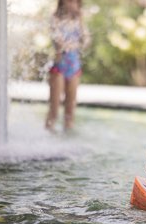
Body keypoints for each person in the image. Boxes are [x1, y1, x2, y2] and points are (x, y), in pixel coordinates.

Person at [45, 0, 90, 132]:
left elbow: (86, 40)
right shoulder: (55, 18)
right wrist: (72, 44)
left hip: (74, 68)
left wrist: (81, 20)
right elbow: (58, 42)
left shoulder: (79, 20)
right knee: (54, 109)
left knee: (70, 111)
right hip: (59, 67)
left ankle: (67, 139)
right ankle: (48, 136)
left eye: (75, 2)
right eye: (69, 1)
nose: (72, 4)